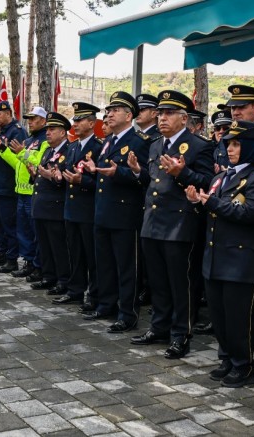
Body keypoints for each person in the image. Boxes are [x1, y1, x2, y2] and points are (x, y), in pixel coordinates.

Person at [187, 120, 254, 387]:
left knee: (239, 319)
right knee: (220, 316)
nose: (231, 149)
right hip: (216, 258)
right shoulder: (221, 177)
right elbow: (214, 212)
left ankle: (244, 366)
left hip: (241, 261)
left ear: (250, 146)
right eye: (229, 144)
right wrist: (198, 204)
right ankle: (227, 359)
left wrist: (210, 202)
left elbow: (249, 213)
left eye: (237, 144)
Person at [131, 90, 214, 359]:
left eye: (168, 114)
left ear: (183, 118)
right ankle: (159, 326)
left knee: (181, 284)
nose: (162, 118)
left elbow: (207, 183)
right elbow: (154, 183)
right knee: (158, 281)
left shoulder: (200, 146)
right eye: (160, 113)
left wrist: (183, 173)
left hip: (180, 224)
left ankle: (181, 334)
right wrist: (137, 172)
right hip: (153, 222)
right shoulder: (156, 145)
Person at [80, 91, 150, 333]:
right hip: (103, 212)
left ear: (129, 115)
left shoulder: (139, 141)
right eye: (107, 110)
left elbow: (145, 178)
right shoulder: (108, 140)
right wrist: (93, 169)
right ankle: (106, 304)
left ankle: (127, 314)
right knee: (105, 263)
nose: (108, 114)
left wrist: (119, 173)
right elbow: (104, 171)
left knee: (126, 267)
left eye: (115, 110)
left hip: (124, 215)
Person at [54, 102, 103, 311]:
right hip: (71, 209)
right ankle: (75, 290)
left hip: (88, 209)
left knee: (91, 256)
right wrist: (58, 176)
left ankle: (94, 294)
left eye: (80, 120)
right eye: (75, 119)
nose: (75, 123)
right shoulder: (73, 147)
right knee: (74, 253)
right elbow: (64, 171)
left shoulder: (99, 147)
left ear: (91, 123)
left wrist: (80, 181)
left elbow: (101, 182)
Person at [30, 112, 72, 297]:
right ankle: (49, 276)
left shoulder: (69, 151)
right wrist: (35, 174)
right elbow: (43, 175)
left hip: (56, 207)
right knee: (44, 244)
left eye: (52, 129)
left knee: (58, 246)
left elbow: (63, 179)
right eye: (47, 129)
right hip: (42, 206)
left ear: (63, 132)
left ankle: (63, 280)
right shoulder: (48, 151)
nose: (48, 133)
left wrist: (52, 177)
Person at [0, 101, 27, 273]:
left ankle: (12, 258)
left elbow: (16, 159)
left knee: (9, 225)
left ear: (9, 113)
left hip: (7, 187)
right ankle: (1, 253)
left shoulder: (17, 131)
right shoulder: (0, 132)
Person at [12, 106, 49, 281]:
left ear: (43, 121)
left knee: (35, 233)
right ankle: (28, 262)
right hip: (21, 191)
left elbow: (40, 162)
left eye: (34, 119)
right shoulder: (28, 140)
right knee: (24, 231)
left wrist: (23, 153)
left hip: (33, 192)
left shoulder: (45, 140)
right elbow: (19, 163)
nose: (30, 122)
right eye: (29, 119)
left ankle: (38, 266)